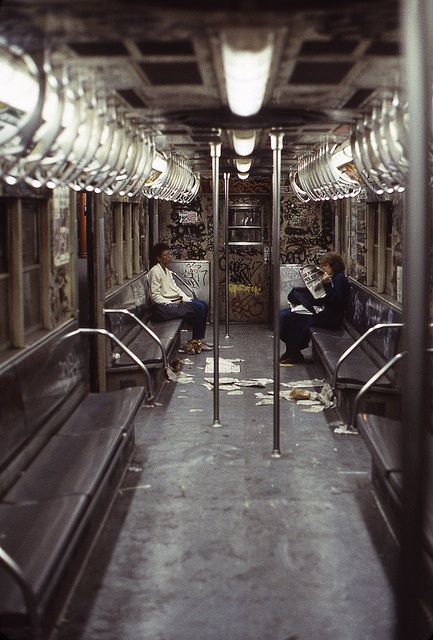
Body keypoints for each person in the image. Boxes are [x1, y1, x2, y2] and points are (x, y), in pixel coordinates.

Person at [279, 251, 350, 364]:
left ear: (334, 265)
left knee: (295, 319)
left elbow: (337, 301)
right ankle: (291, 350)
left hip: (331, 317)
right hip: (323, 312)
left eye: (326, 265)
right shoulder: (332, 278)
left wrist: (326, 285)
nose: (324, 268)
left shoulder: (339, 279)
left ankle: (294, 352)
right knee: (284, 315)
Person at [147, 242, 212, 351]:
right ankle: (196, 341)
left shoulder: (167, 271)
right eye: (165, 255)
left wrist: (189, 299)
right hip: (163, 308)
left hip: (174, 302)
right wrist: (172, 303)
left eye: (170, 254)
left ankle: (198, 340)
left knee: (203, 304)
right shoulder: (155, 272)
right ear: (158, 258)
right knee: (199, 308)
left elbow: (177, 289)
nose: (169, 257)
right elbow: (155, 296)